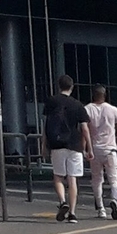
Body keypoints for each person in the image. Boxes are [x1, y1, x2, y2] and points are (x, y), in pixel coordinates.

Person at [43, 75, 87, 223]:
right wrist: (88, 147)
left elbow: (46, 124)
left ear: (58, 86)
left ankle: (63, 202)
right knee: (72, 179)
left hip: (57, 144)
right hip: (74, 145)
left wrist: (45, 144)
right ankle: (73, 213)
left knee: (58, 176)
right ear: (72, 87)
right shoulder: (78, 105)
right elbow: (84, 128)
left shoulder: (51, 101)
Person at [81, 85, 117, 220]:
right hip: (110, 149)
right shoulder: (113, 110)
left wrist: (84, 149)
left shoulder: (87, 109)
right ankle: (114, 199)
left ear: (93, 95)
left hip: (95, 149)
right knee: (114, 178)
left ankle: (101, 208)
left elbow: (85, 130)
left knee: (96, 179)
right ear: (105, 95)